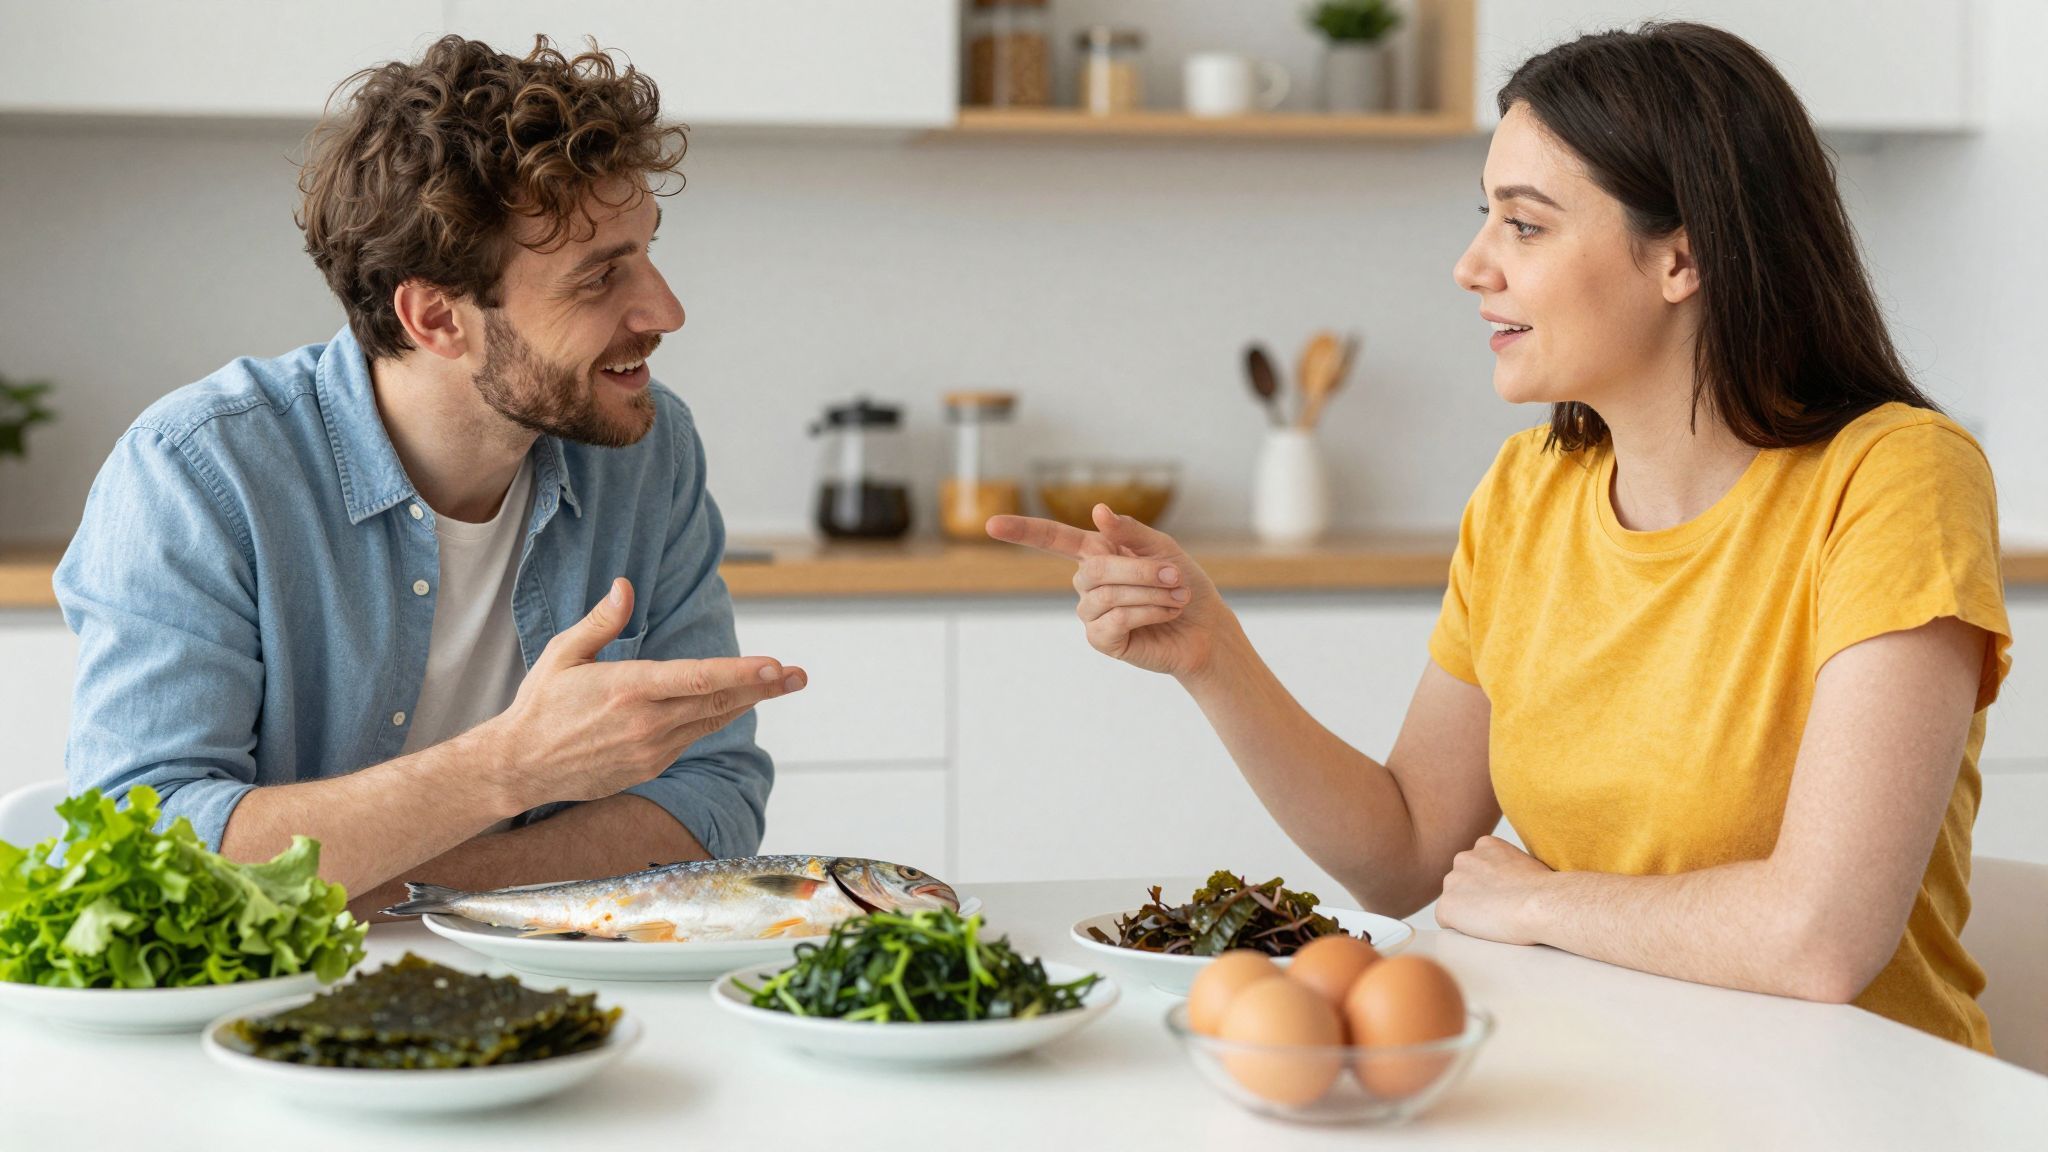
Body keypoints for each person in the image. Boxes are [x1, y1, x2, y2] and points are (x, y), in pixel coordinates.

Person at [990, 22, 2012, 1052]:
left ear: (1680, 257)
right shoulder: (1526, 492)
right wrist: (1212, 656)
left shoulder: (1893, 476)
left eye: (1523, 227)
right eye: (1486, 218)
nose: (1470, 265)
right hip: (1600, 1069)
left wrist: (1537, 903)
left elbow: (1818, 939)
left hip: (1862, 1097)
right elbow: (1410, 858)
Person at [56, 36, 806, 920]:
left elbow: (711, 800)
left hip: (558, 996)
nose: (665, 310)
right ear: (437, 316)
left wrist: (403, 882)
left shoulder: (647, 450)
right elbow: (148, 853)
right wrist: (510, 768)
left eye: (644, 252)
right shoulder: (199, 474)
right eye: (601, 277)